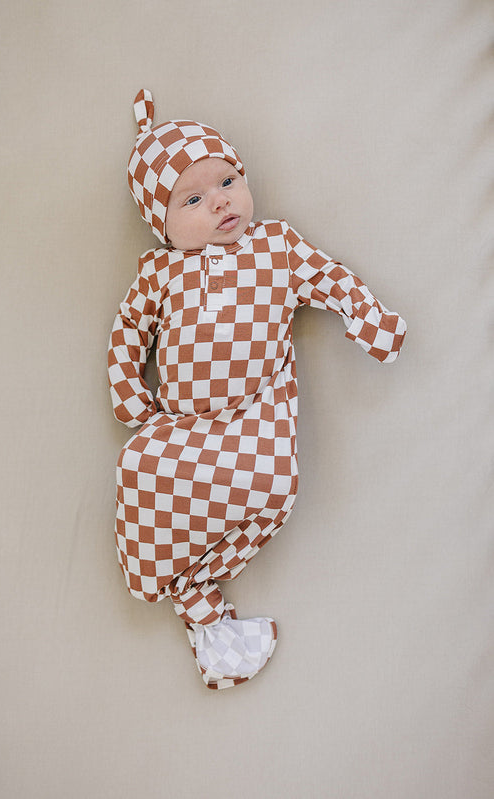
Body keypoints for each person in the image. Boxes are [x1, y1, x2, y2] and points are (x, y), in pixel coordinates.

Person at [108, 90, 407, 689]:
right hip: (183, 424)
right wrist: (128, 392)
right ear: (162, 226)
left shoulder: (275, 247)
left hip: (253, 414)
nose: (219, 202)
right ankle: (190, 594)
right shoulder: (160, 273)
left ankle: (194, 593)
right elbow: (127, 329)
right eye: (192, 199)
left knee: (270, 484)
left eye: (227, 181)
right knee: (141, 465)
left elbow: (331, 278)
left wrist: (370, 320)